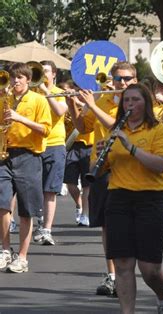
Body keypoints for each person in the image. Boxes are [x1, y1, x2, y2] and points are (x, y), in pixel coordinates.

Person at [98, 83, 163, 313]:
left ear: (147, 104)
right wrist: (100, 159)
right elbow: (98, 169)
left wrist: (130, 147)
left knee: (149, 269)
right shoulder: (113, 132)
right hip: (119, 198)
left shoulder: (159, 131)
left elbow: (161, 165)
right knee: (123, 264)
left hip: (151, 199)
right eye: (126, 100)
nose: (130, 104)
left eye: (135, 100)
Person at [69, 61, 137, 296]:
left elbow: (119, 125)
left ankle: (126, 274)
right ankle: (112, 276)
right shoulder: (102, 100)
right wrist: (72, 104)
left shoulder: (136, 103)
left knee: (127, 224)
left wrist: (91, 105)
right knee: (107, 225)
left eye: (127, 79)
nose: (122, 83)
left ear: (135, 81)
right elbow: (81, 126)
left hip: (128, 168)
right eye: (118, 79)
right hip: (102, 169)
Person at [0, 62, 52, 273]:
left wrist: (20, 118)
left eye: (20, 78)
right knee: (2, 204)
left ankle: (22, 257)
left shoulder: (39, 100)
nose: (15, 81)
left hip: (29, 156)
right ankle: (4, 250)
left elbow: (46, 130)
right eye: (12, 78)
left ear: (28, 80)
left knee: (26, 210)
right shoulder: (4, 98)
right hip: (5, 155)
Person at [32, 60, 68, 246]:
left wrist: (46, 92)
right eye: (40, 71)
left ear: (54, 74)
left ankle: (46, 229)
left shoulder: (59, 93)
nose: (43, 75)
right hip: (34, 145)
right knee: (33, 190)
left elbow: (60, 111)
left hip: (54, 145)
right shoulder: (31, 93)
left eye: (46, 71)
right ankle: (36, 222)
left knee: (50, 190)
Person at [60, 81, 94, 226]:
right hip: (72, 145)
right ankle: (79, 204)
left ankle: (85, 214)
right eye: (78, 90)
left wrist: (83, 105)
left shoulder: (93, 103)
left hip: (89, 145)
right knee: (70, 183)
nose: (80, 93)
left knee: (87, 184)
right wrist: (72, 104)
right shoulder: (71, 104)